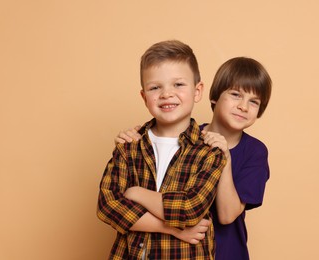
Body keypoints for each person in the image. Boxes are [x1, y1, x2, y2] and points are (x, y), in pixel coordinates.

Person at [115, 57, 272, 259]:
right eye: (235, 95)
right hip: (178, 249)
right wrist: (131, 140)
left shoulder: (255, 152)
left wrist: (224, 156)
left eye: (254, 102)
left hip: (226, 253)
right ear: (214, 97)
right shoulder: (185, 137)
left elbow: (226, 215)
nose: (243, 106)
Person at [97, 40, 226, 260]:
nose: (166, 94)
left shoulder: (209, 151)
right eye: (155, 87)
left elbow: (189, 209)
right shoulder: (129, 147)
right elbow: (108, 206)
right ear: (144, 96)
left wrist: (136, 193)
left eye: (178, 84)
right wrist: (173, 229)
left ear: (197, 91)